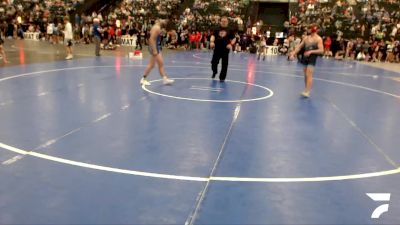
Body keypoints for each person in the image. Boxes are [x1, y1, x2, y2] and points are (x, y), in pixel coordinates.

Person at [289, 24, 323, 98]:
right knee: (305, 75)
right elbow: (299, 47)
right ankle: (306, 89)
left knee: (309, 73)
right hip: (305, 57)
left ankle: (307, 91)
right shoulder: (306, 38)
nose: (307, 30)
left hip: (312, 58)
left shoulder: (318, 39)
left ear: (313, 29)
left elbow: (321, 50)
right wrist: (293, 54)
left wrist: (311, 52)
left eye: (309, 28)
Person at [140, 19, 174, 86]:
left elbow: (156, 36)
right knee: (153, 65)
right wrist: (154, 50)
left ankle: (165, 79)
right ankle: (143, 79)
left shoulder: (158, 27)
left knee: (159, 64)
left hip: (156, 46)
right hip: (154, 47)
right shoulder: (157, 28)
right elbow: (151, 39)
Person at [210, 16, 236, 82]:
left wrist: (231, 44)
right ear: (220, 21)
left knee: (224, 64)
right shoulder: (216, 29)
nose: (224, 22)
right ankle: (214, 71)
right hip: (217, 49)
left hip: (225, 49)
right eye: (222, 21)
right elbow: (213, 36)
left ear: (227, 22)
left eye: (225, 21)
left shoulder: (230, 29)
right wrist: (212, 42)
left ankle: (222, 78)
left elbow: (234, 38)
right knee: (214, 62)